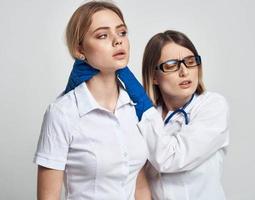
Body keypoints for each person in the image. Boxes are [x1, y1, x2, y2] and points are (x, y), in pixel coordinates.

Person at [33, 1, 150, 199]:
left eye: (122, 33)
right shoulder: (62, 113)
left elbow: (139, 185)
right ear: (80, 49)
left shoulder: (136, 107)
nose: (117, 41)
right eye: (102, 35)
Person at [116, 30, 230, 199]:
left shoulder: (213, 106)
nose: (184, 71)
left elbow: (169, 158)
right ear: (154, 76)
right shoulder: (146, 117)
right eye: (171, 65)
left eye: (190, 62)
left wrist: (142, 104)